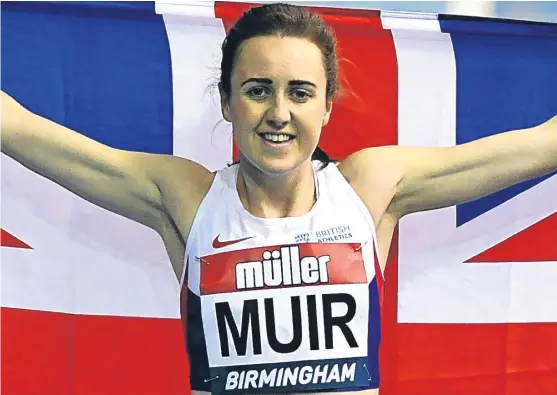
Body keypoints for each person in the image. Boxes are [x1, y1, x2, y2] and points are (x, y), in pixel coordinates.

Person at [1, 3, 556, 395]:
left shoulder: (369, 189)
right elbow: (19, 129)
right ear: (226, 102)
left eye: (300, 92)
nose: (279, 113)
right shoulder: (188, 198)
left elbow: (541, 146)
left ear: (327, 108)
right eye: (258, 89)